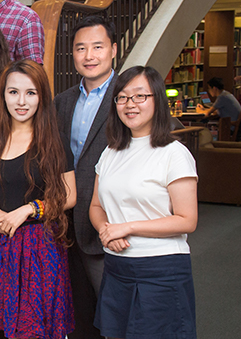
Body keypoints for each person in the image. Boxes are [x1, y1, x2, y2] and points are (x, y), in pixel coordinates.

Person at [90, 66, 198, 339]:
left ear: (157, 100)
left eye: (140, 96)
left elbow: (187, 220)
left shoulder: (174, 154)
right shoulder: (111, 151)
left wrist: (126, 228)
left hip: (160, 269)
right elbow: (96, 206)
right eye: (122, 98)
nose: (130, 105)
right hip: (116, 267)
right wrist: (106, 230)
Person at [0, 60, 76, 339]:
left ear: (42, 96)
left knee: (34, 330)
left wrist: (29, 210)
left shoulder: (54, 141)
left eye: (31, 93)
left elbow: (69, 196)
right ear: (3, 96)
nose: (21, 101)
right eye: (13, 92)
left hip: (40, 250)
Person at [53, 15, 118, 339]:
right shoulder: (62, 102)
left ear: (113, 50)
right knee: (78, 315)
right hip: (66, 226)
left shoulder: (128, 98)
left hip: (109, 227)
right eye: (81, 48)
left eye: (97, 47)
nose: (89, 56)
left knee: (115, 315)